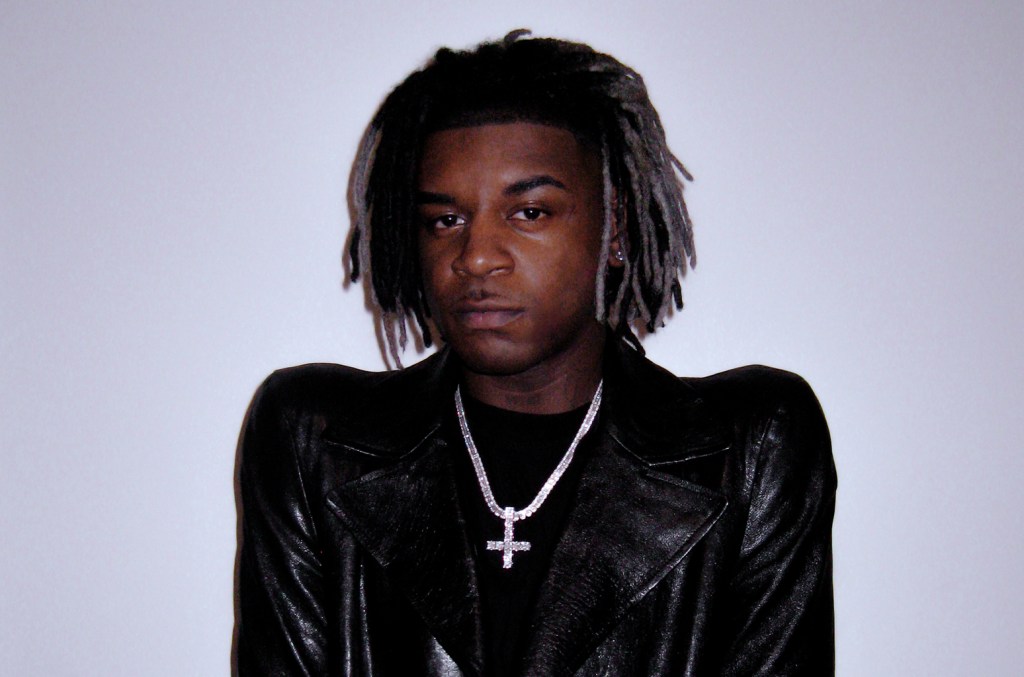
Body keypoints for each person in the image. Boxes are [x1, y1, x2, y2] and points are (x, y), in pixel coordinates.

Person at [236, 31, 836, 676]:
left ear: (615, 227)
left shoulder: (746, 448)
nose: (476, 257)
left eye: (529, 212)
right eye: (445, 220)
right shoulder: (317, 440)